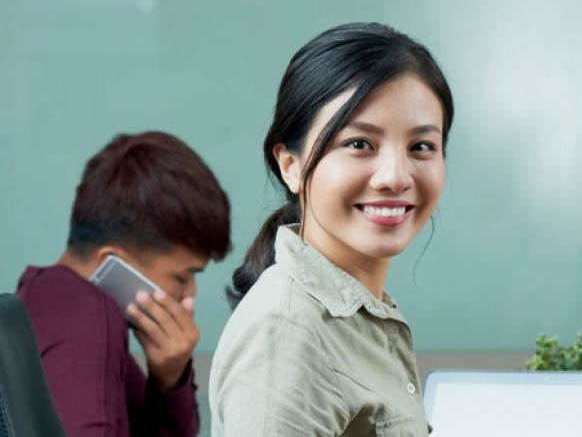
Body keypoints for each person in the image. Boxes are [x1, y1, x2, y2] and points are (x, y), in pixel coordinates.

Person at [208, 22, 453, 436]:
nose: (395, 176)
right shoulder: (286, 331)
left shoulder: (360, 316)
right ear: (291, 166)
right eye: (359, 144)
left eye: (421, 147)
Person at [16, 131, 232, 437]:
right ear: (111, 263)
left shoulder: (41, 295)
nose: (190, 293)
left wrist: (170, 380)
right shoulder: (89, 316)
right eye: (182, 277)